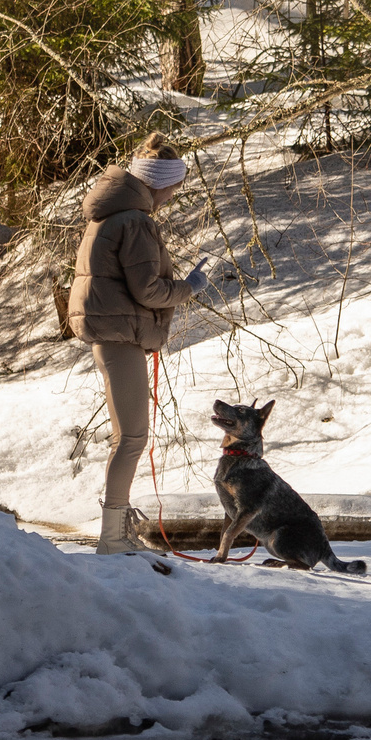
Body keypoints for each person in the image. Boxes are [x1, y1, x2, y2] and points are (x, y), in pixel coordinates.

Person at [67, 130, 209, 555]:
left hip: (113, 332)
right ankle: (112, 537)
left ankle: (116, 531)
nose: (173, 196)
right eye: (174, 187)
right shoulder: (135, 220)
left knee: (126, 437)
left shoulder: (112, 214)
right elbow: (148, 289)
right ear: (161, 182)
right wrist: (188, 286)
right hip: (118, 336)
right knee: (130, 439)